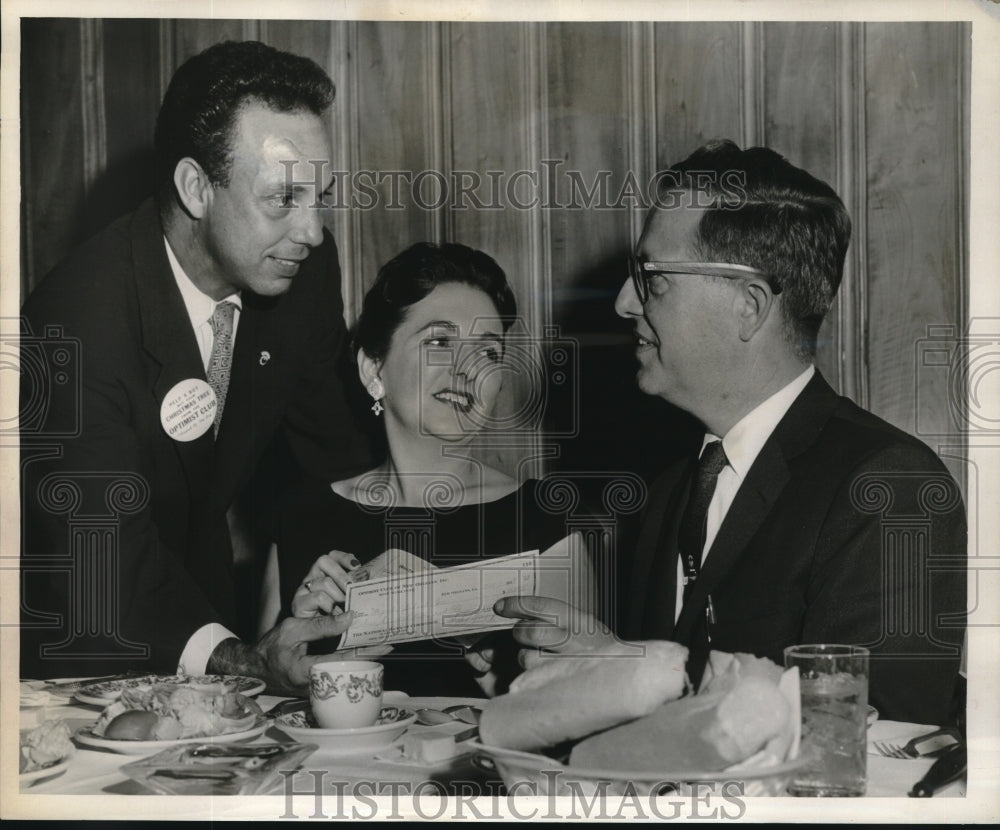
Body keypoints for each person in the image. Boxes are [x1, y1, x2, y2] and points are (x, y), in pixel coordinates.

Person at [495, 140, 966, 726]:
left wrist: (628, 668)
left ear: (749, 305)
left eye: (652, 279)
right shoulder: (672, 484)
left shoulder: (895, 487)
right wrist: (573, 674)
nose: (622, 303)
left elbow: (880, 731)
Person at [19, 41, 375, 693]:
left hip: (212, 619)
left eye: (320, 196)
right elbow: (101, 571)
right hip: (81, 653)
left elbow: (336, 450)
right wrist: (245, 659)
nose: (315, 231)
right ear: (194, 188)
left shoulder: (301, 270)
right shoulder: (71, 321)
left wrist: (411, 570)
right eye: (284, 198)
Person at [258, 241, 598, 697]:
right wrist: (300, 649)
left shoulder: (545, 521)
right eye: (439, 341)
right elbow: (258, 719)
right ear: (372, 369)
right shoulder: (301, 517)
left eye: (489, 352)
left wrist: (505, 682)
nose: (466, 370)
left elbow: (591, 710)